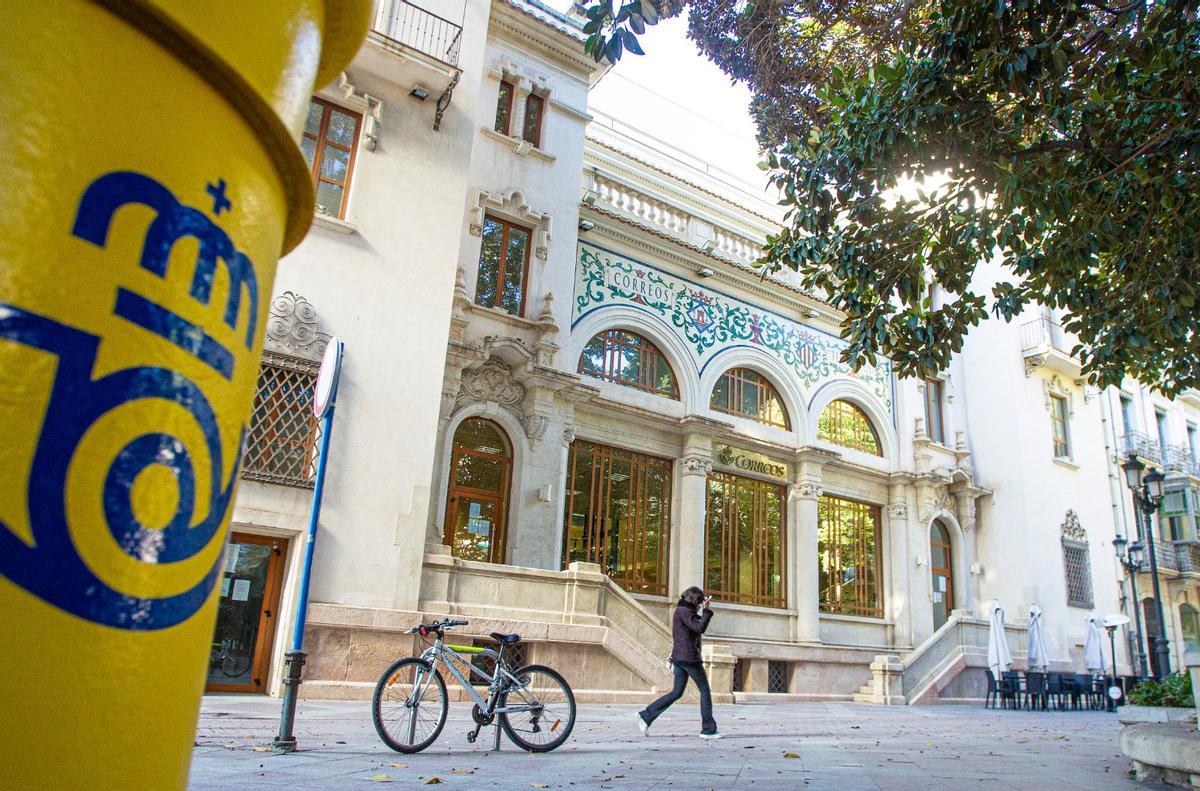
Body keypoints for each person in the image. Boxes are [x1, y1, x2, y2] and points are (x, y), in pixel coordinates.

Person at [636, 586, 721, 739]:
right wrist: (707, 611)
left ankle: (646, 715)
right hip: (689, 658)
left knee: (677, 692)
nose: (700, 605)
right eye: (700, 602)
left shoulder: (681, 611)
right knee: (705, 691)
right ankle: (708, 729)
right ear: (695, 601)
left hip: (681, 657)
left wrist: (702, 611)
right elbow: (699, 627)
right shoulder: (686, 612)